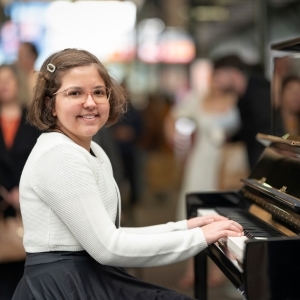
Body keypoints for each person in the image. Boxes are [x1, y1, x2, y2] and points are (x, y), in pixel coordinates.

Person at [12, 48, 243, 300]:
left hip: (85, 275)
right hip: (64, 285)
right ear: (50, 104)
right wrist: (198, 237)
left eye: (98, 92)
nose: (90, 102)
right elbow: (108, 247)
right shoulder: (60, 155)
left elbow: (112, 235)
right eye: (75, 93)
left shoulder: (90, 149)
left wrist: (184, 228)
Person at [0, 64, 41, 300]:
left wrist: (23, 190)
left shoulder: (35, 122)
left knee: (25, 275)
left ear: (18, 83)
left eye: (8, 79)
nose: (3, 84)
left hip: (27, 210)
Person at [212, 54, 272, 170]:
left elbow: (265, 132)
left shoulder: (259, 92)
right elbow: (249, 129)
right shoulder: (242, 97)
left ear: (233, 73)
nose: (215, 81)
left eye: (218, 75)